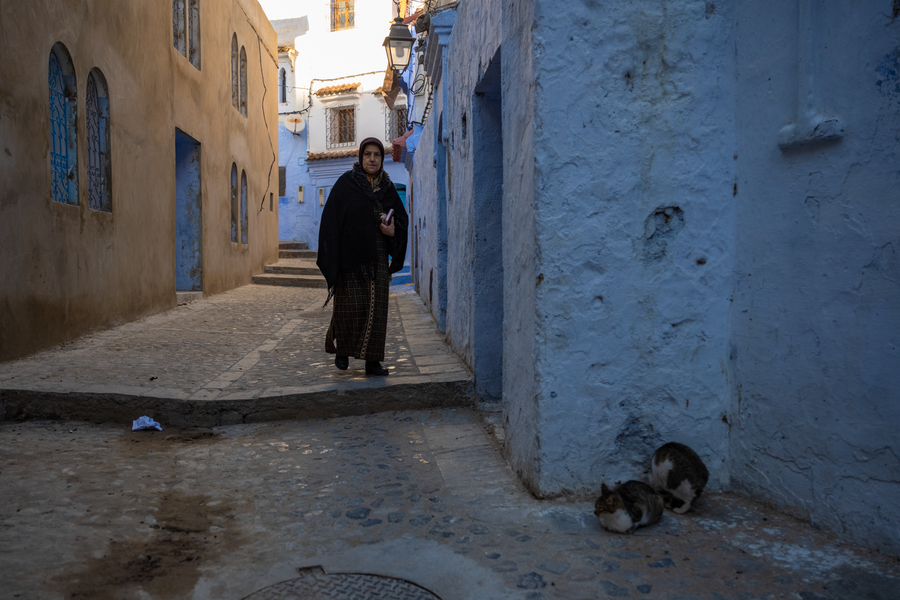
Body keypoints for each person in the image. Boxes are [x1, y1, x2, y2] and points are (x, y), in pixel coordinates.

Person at [316, 137, 409, 376]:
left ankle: (372, 361)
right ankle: (343, 351)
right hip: (350, 257)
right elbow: (331, 220)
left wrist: (392, 230)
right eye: (367, 154)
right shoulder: (346, 184)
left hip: (377, 258)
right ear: (360, 157)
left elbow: (401, 220)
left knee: (377, 308)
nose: (372, 159)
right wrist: (333, 257)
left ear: (382, 159)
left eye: (377, 155)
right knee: (350, 305)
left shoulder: (387, 188)